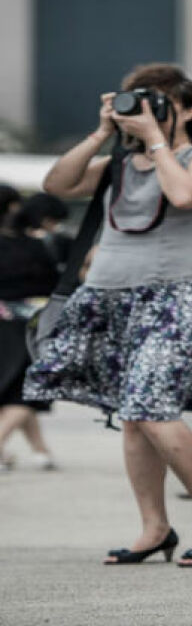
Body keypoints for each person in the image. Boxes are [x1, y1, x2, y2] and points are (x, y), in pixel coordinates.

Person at [24, 63, 192, 567]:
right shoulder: (119, 165)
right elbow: (56, 184)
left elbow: (185, 194)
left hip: (176, 296)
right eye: (136, 103)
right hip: (108, 297)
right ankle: (154, 527)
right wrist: (103, 133)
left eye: (157, 103)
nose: (143, 112)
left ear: (187, 109)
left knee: (149, 408)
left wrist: (155, 140)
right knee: (132, 419)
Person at [0, 195, 59, 472]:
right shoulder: (38, 245)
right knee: (27, 392)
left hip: (8, 323)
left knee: (14, 389)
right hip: (26, 326)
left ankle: (40, 450)